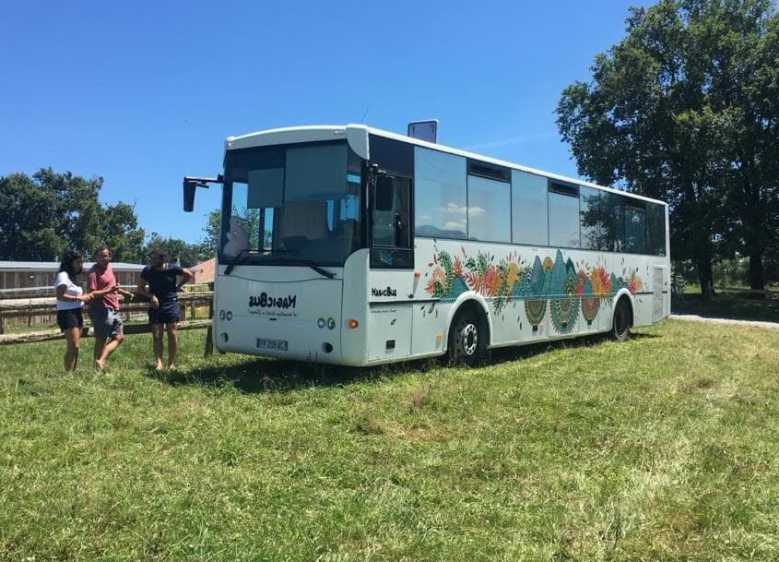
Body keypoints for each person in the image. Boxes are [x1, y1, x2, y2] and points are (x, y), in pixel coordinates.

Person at [135, 249, 193, 370]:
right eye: (152, 258)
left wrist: (178, 287)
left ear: (163, 259)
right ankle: (159, 363)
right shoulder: (148, 270)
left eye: (156, 258)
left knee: (172, 333)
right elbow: (139, 289)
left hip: (171, 303)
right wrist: (151, 296)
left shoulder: (172, 268)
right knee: (157, 335)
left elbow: (189, 274)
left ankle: (171, 363)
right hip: (156, 306)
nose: (153, 261)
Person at [87, 246, 132, 370]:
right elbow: (92, 294)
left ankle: (100, 361)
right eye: (100, 256)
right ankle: (96, 369)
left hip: (114, 307)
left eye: (105, 256)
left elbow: (113, 287)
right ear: (96, 258)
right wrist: (108, 291)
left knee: (119, 337)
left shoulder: (110, 268)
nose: (103, 258)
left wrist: (124, 292)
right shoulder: (93, 272)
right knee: (101, 340)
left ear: (110, 257)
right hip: (101, 309)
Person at [55, 250, 94, 372]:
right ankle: (68, 374)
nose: (81, 264)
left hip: (77, 312)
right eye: (78, 262)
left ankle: (73, 371)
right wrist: (79, 298)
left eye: (82, 262)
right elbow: (60, 296)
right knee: (73, 346)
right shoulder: (63, 276)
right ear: (70, 262)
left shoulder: (75, 277)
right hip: (67, 313)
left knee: (76, 346)